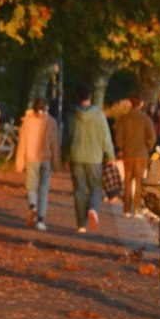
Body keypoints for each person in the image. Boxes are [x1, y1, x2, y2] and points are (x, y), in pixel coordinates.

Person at [66, 83, 115, 233]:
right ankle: (93, 209)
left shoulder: (71, 115)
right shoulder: (99, 115)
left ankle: (81, 224)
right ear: (90, 96)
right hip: (95, 158)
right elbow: (106, 138)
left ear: (77, 96)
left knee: (79, 190)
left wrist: (65, 157)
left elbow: (66, 137)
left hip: (76, 156)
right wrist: (110, 156)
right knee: (95, 187)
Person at [14, 97, 60, 230]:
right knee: (44, 188)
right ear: (46, 107)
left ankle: (32, 205)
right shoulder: (51, 122)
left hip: (31, 157)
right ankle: (40, 219)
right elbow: (55, 144)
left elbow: (22, 143)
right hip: (46, 159)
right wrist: (57, 164)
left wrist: (19, 163)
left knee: (31, 185)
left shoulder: (27, 122)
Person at [115, 93, 157, 218]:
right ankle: (136, 209)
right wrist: (148, 148)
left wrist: (122, 147)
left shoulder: (124, 118)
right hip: (142, 154)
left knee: (127, 181)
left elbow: (118, 138)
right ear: (142, 103)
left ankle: (126, 209)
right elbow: (152, 137)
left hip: (127, 154)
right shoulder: (145, 119)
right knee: (139, 182)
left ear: (130, 102)